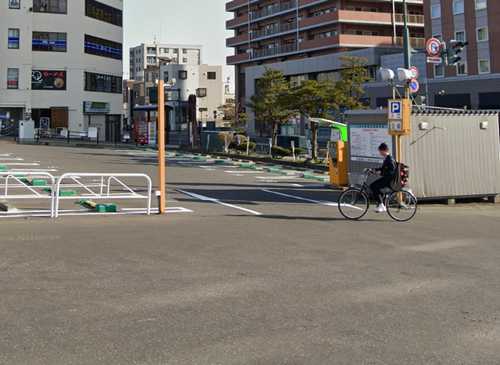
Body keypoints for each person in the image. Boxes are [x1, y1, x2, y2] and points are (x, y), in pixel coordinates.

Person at [369, 143, 396, 213]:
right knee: (375, 187)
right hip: (387, 178)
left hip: (389, 180)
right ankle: (381, 204)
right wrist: (373, 170)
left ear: (383, 150)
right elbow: (383, 169)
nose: (379, 153)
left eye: (380, 151)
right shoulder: (387, 158)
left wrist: (381, 173)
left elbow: (392, 172)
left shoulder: (389, 159)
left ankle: (381, 205)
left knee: (373, 186)